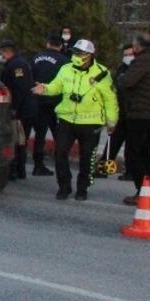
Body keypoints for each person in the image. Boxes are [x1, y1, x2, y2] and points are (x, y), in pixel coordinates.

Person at [32, 39, 118, 201]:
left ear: (90, 55)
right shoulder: (66, 69)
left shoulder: (102, 73)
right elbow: (56, 86)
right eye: (74, 53)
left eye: (80, 54)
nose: (76, 56)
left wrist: (111, 121)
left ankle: (82, 188)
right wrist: (45, 89)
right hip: (67, 119)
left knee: (87, 157)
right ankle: (64, 187)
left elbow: (110, 99)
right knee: (60, 154)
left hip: (91, 123)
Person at [117, 32, 150, 204]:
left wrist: (121, 77)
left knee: (133, 154)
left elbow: (126, 82)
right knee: (147, 154)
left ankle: (142, 190)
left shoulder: (141, 61)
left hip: (140, 114)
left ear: (138, 46)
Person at [0, 40, 38, 180]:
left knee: (17, 140)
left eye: (2, 52)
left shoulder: (17, 65)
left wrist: (14, 108)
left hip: (22, 109)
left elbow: (20, 89)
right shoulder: (15, 63)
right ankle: (19, 170)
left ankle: (16, 170)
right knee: (19, 140)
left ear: (7, 52)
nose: (0, 55)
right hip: (23, 108)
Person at [30, 33, 66, 175]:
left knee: (40, 134)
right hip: (56, 103)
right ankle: (60, 166)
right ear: (61, 46)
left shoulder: (36, 57)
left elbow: (30, 77)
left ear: (47, 43)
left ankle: (38, 165)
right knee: (60, 136)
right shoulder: (64, 61)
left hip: (38, 101)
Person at [104, 43, 137, 178]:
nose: (128, 57)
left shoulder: (139, 69)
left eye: (130, 54)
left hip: (134, 113)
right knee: (112, 143)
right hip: (120, 111)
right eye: (125, 55)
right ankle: (104, 168)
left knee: (131, 146)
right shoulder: (121, 69)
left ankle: (130, 172)